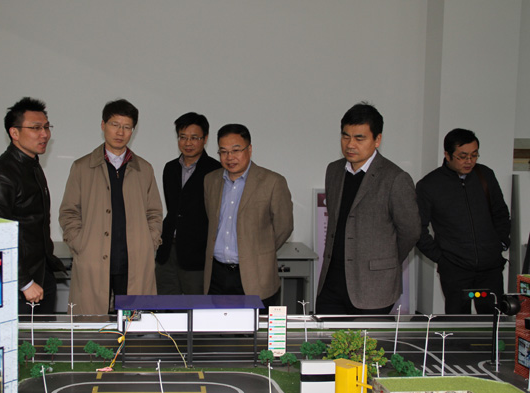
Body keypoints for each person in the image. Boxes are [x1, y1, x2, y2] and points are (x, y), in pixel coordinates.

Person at [59, 99, 163, 314]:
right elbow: (69, 212)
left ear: (133, 130)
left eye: (127, 127)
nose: (120, 132)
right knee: (92, 325)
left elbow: (154, 213)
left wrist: (149, 242)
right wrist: (80, 244)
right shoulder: (82, 167)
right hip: (93, 261)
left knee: (135, 325)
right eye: (115, 125)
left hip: (134, 262)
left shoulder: (144, 169)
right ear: (103, 125)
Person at [316, 102, 421, 315]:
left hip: (374, 286)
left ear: (377, 140)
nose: (350, 144)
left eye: (359, 138)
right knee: (325, 336)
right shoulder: (334, 171)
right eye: (345, 136)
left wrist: (386, 261)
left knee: (367, 339)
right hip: (332, 283)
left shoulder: (395, 178)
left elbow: (410, 231)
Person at [0, 97, 65, 314]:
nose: (44, 134)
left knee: (46, 335)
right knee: (25, 337)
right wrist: (24, 282)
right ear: (14, 133)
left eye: (46, 127)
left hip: (41, 273)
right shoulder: (0, 177)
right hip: (19, 286)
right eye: (35, 128)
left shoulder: (31, 165)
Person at [416, 128, 510, 314]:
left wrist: (501, 242)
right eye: (462, 156)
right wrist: (442, 259)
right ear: (447, 155)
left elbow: (500, 212)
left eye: (474, 155)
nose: (469, 161)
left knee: (493, 320)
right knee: (458, 322)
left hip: (490, 268)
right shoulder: (429, 185)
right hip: (455, 270)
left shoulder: (485, 175)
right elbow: (418, 228)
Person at [203, 123, 293, 311]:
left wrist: (259, 252)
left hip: (256, 276)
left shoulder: (273, 182)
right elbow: (211, 221)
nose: (229, 157)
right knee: (217, 327)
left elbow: (284, 227)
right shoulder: (210, 180)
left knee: (255, 329)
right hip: (216, 276)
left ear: (249, 149)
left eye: (236, 150)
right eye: (223, 152)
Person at [155, 112, 221, 294]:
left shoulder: (215, 170)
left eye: (194, 138)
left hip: (197, 256)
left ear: (205, 139)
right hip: (167, 252)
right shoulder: (170, 168)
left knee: (196, 306)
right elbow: (173, 209)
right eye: (183, 137)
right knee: (165, 305)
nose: (188, 143)